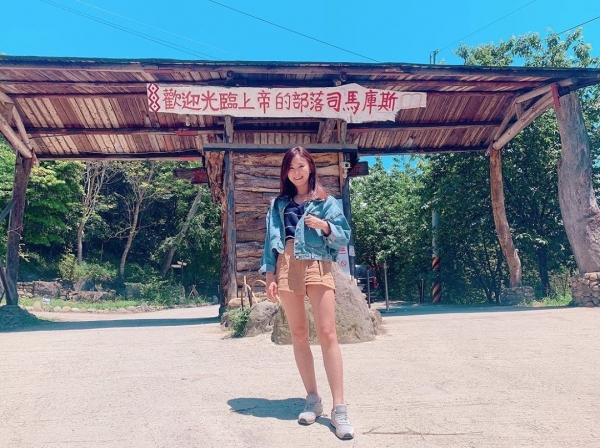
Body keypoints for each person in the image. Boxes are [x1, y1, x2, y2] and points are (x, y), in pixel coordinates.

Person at [259, 146, 354, 440]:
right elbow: (270, 240)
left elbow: (344, 236)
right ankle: (313, 398)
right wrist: (270, 275)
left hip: (317, 262)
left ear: (310, 167)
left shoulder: (326, 201)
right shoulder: (279, 204)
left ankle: (339, 407)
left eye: (301, 166)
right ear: (285, 173)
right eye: (291, 168)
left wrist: (324, 225)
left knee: (327, 333)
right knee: (298, 333)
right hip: (287, 263)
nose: (296, 172)